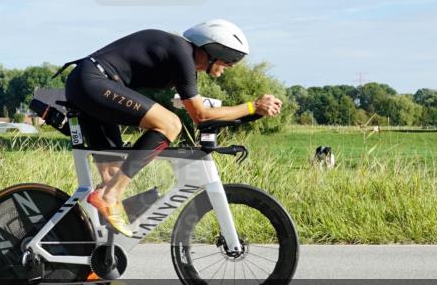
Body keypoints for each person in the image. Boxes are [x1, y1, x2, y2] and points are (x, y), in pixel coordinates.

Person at [63, 19, 283, 237]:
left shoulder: (183, 60)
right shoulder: (181, 53)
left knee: (112, 177)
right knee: (170, 124)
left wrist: (253, 113)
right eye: (230, 60)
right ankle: (110, 196)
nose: (231, 66)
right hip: (93, 82)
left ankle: (94, 249)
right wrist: (252, 106)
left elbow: (203, 114)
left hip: (92, 85)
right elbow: (200, 115)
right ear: (215, 49)